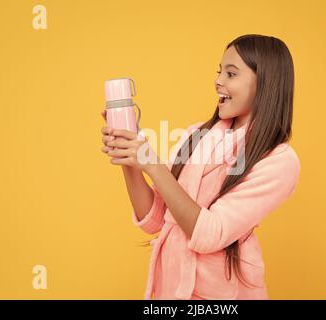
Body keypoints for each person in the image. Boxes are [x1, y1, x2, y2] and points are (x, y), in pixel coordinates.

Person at [100, 34, 301, 300]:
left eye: (231, 74)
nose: (218, 81)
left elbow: (211, 233)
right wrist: (130, 157)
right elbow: (155, 219)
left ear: (265, 84)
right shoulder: (196, 135)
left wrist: (153, 164)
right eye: (220, 72)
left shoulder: (279, 161)